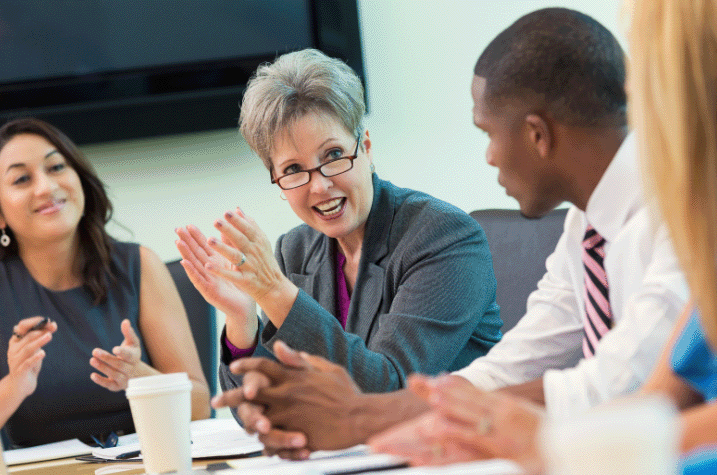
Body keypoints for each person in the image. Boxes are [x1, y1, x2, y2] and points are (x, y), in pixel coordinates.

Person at [211, 8, 688, 458]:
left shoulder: (684, 210)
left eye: (486, 133)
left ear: (537, 135)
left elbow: (618, 381)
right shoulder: (586, 227)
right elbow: (514, 364)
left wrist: (363, 415)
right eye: (293, 170)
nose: (488, 157)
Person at [396, 0, 717, 475]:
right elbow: (661, 395)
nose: (633, 101)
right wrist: (557, 458)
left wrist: (574, 458)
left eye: (645, 73)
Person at [174, 48, 503, 404]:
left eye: (332, 156)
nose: (319, 186)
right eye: (293, 170)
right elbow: (260, 408)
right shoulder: (295, 252)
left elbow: (388, 390)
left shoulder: (442, 237)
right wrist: (242, 317)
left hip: (454, 448)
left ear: (366, 148)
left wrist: (274, 292)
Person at [0, 118, 210, 448]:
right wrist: (16, 383)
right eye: (21, 179)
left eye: (56, 167)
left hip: (147, 468)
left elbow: (201, 407)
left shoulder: (141, 265)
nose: (46, 187)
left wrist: (139, 377)